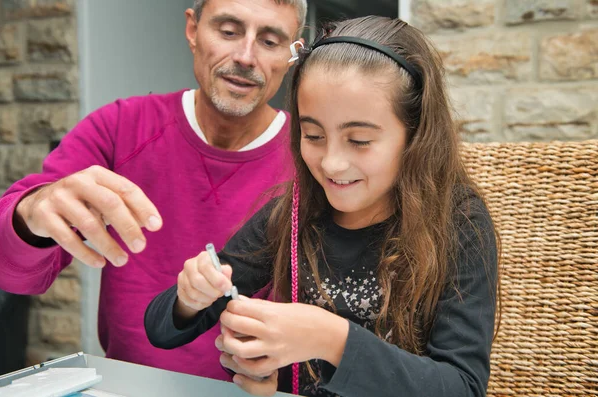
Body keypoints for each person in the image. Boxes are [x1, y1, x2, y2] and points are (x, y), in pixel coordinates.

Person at [144, 15, 501, 397]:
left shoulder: (459, 224)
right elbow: (161, 330)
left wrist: (334, 340)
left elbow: (462, 387)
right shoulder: (293, 215)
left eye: (359, 140)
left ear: (415, 136)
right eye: (313, 135)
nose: (331, 163)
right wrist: (190, 296)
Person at [0, 0, 307, 385]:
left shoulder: (312, 158)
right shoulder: (120, 128)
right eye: (228, 31)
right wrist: (31, 213)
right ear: (193, 30)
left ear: (293, 52)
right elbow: (11, 271)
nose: (245, 56)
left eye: (270, 40)